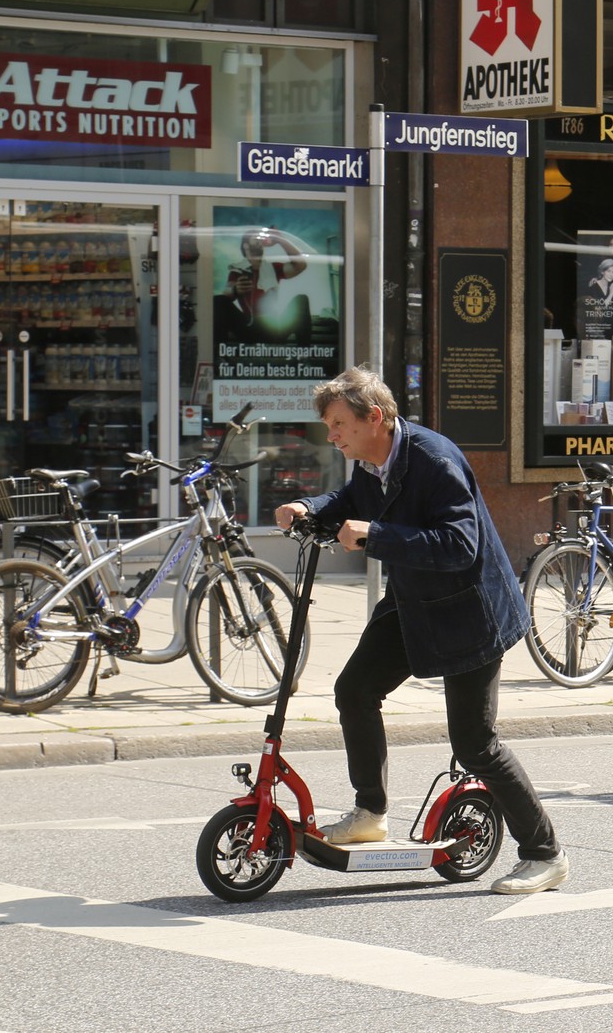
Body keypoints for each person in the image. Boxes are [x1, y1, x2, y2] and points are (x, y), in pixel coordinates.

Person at [273, 367, 569, 894]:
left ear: (375, 418)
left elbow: (460, 544)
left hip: (467, 611)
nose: (332, 435)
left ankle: (545, 853)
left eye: (339, 423)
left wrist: (378, 535)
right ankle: (370, 811)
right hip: (413, 601)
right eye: (329, 425)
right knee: (355, 691)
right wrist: (309, 507)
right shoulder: (374, 459)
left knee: (475, 744)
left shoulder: (433, 460)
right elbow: (351, 503)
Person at [216, 227, 311, 345]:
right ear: (246, 246)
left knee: (301, 299)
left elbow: (300, 265)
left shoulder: (273, 268)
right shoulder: (237, 271)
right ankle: (219, 355)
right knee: (218, 300)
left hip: (273, 328)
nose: (259, 241)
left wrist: (280, 240)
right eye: (255, 238)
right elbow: (226, 293)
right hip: (248, 328)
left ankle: (303, 357)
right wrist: (235, 290)